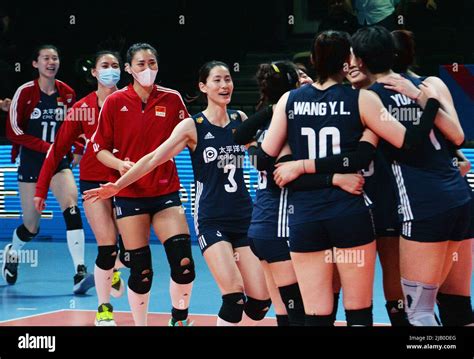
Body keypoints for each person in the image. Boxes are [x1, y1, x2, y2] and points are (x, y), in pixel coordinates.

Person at [259, 30, 446, 326]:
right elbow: (409, 141)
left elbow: (263, 158)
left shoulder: (289, 101)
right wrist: (431, 104)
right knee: (359, 312)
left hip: (305, 216)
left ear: (312, 60)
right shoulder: (363, 100)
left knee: (316, 315)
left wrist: (295, 160)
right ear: (348, 62)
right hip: (349, 212)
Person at [85, 61, 272, 326]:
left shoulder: (241, 120)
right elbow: (152, 159)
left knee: (260, 304)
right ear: (203, 87)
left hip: (245, 218)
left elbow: (262, 155)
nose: (224, 85)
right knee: (233, 298)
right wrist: (119, 185)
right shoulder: (192, 127)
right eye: (217, 80)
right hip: (212, 220)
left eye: (227, 79)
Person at [89, 43, 195, 326]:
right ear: (128, 69)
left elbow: (189, 137)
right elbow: (100, 148)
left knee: (184, 263)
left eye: (152, 63)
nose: (147, 69)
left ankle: (179, 319)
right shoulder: (114, 102)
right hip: (129, 194)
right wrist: (119, 165)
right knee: (141, 270)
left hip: (165, 192)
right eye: (140, 64)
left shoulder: (173, 100)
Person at [33, 50, 125, 326]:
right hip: (94, 183)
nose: (111, 70)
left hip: (126, 183)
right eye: (105, 66)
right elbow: (57, 149)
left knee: (130, 252)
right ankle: (103, 308)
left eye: (116, 66)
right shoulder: (82, 108)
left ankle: (116, 269)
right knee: (107, 248)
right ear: (94, 73)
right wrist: (40, 190)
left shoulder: (132, 102)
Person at [388, 28, 474, 326]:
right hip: (460, 197)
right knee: (457, 304)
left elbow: (458, 136)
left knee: (420, 312)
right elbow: (459, 139)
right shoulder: (433, 83)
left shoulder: (372, 95)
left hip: (425, 203)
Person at [3, 44, 94, 294]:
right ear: (35, 64)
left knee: (71, 207)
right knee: (31, 227)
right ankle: (12, 254)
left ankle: (79, 271)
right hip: (32, 162)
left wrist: (76, 146)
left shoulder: (67, 93)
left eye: (55, 58)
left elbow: (76, 125)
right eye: (46, 58)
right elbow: (14, 131)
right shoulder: (25, 92)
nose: (51, 62)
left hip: (58, 163)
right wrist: (47, 148)